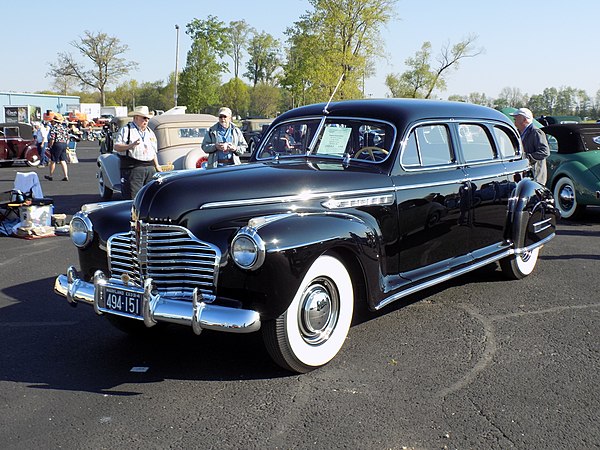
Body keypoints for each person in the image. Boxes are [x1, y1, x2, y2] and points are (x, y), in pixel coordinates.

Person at [113, 105, 161, 199]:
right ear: (136, 118)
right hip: (133, 168)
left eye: (147, 118)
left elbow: (153, 151)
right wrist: (130, 146)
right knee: (133, 198)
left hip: (150, 168)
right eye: (144, 118)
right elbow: (116, 147)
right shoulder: (127, 130)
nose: (146, 121)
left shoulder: (149, 132)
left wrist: (157, 165)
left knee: (149, 197)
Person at [510, 107, 550, 184]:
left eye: (516, 118)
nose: (514, 121)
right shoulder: (518, 132)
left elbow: (545, 152)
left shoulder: (536, 132)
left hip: (535, 176)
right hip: (524, 175)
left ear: (525, 120)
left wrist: (528, 158)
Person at [44, 114, 70, 181]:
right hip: (64, 144)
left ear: (55, 121)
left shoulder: (54, 128)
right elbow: (68, 137)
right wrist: (66, 145)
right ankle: (66, 175)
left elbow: (52, 138)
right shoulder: (65, 128)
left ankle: (51, 175)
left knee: (53, 160)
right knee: (63, 160)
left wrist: (50, 145)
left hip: (57, 144)